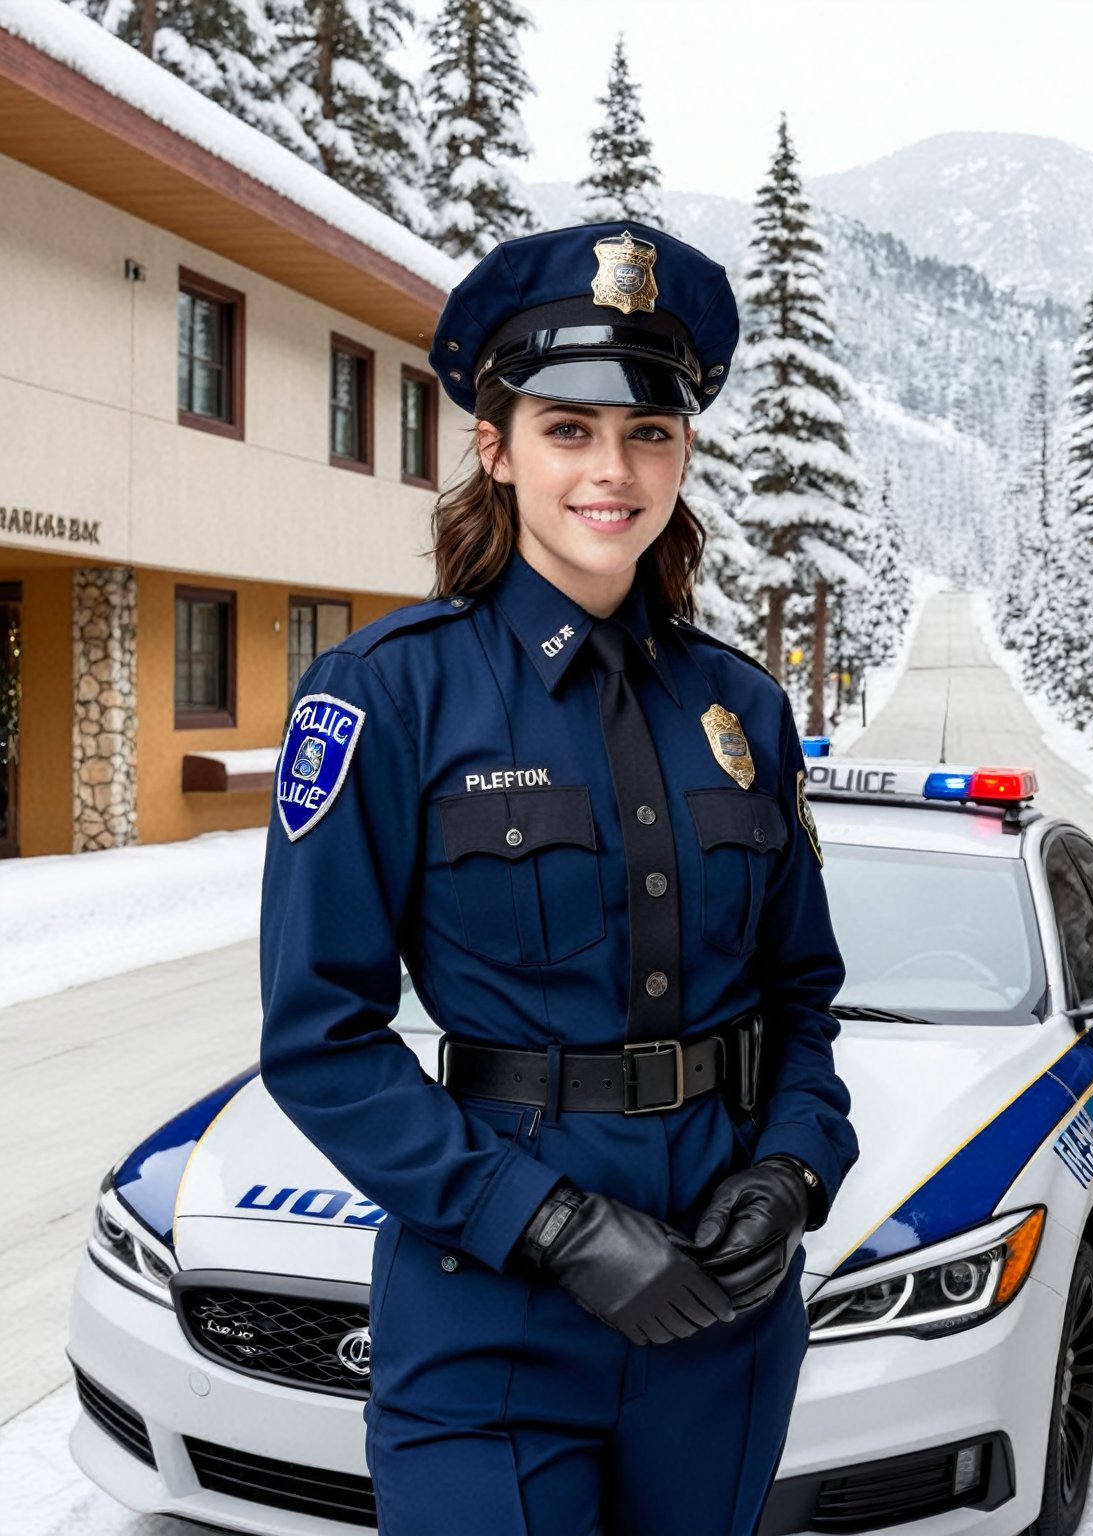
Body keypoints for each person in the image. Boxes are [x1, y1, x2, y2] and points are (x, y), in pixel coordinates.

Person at [258, 221, 859, 1536]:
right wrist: (554, 1228)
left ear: (685, 454)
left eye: (650, 431)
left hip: (719, 1315)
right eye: (569, 430)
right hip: (491, 1317)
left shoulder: (740, 707)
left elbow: (804, 993)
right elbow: (322, 1042)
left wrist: (794, 1173)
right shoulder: (384, 696)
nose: (614, 467)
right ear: (497, 448)